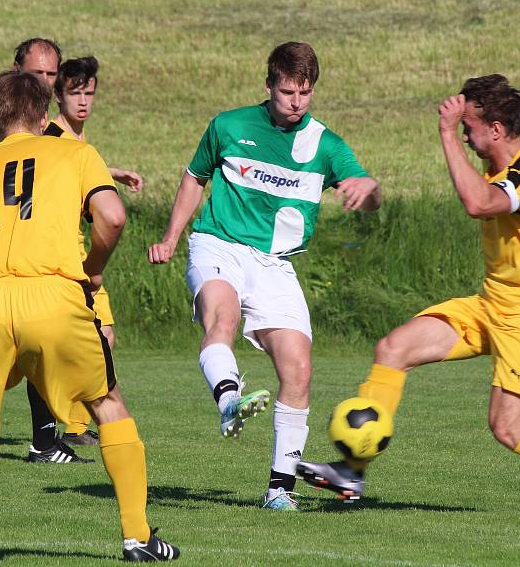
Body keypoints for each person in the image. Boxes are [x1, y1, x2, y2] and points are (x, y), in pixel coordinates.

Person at [296, 74, 520, 516]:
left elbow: (478, 204)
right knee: (393, 348)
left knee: (507, 429)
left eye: (470, 126)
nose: (463, 131)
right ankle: (352, 471)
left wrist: (445, 134)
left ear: (496, 130)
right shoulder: (497, 168)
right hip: (490, 306)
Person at [0, 70, 179, 567]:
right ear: (44, 117)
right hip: (53, 292)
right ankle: (138, 538)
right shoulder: (75, 153)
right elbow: (112, 217)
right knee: (107, 403)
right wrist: (91, 271)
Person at [148, 41, 381, 511]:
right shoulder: (229, 126)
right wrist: (173, 236)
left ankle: (279, 491)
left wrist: (369, 189)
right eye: (288, 92)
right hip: (219, 244)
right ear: (269, 85)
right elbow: (195, 177)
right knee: (223, 319)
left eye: (306, 93)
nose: (296, 102)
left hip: (275, 265)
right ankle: (229, 400)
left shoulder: (325, 144)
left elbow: (368, 191)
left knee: (298, 367)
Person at [44, 55, 142, 445]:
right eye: (74, 93)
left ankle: (76, 427)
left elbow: (79, 171)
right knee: (91, 337)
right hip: (60, 257)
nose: (83, 101)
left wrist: (110, 172)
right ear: (58, 95)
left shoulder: (80, 142)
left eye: (89, 93)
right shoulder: (50, 137)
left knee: (103, 335)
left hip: (81, 255)